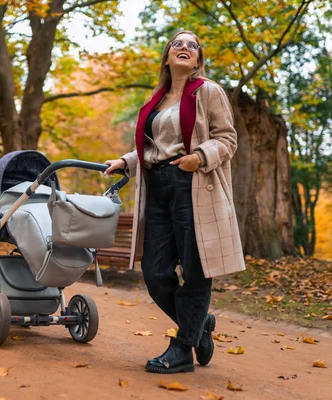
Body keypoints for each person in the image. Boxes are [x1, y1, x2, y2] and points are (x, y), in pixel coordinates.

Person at [104, 30, 245, 374]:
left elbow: (227, 139)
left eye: (192, 45)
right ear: (167, 57)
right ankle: (199, 323)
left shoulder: (208, 92)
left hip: (194, 183)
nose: (184, 47)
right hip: (159, 186)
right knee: (154, 272)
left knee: (197, 270)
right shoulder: (156, 98)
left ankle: (182, 348)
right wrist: (127, 161)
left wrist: (199, 156)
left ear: (198, 60)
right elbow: (153, 147)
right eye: (177, 44)